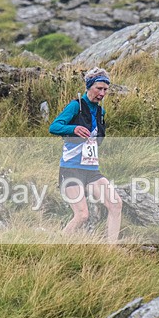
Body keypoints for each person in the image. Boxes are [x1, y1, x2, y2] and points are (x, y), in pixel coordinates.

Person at [49, 67, 122, 242]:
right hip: (71, 169)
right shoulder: (76, 106)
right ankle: (58, 243)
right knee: (82, 215)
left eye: (105, 89)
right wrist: (72, 128)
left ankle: (111, 250)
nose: (102, 93)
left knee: (115, 204)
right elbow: (54, 127)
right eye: (99, 88)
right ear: (89, 86)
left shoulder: (100, 112)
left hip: (91, 170)